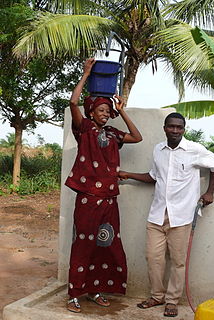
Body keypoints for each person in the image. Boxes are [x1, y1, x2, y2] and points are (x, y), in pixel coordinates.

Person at [119, 112, 214, 317]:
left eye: (179, 127)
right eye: (171, 126)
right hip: (157, 214)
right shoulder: (158, 150)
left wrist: (210, 192)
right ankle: (157, 296)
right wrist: (128, 174)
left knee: (178, 261)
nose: (175, 130)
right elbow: (153, 177)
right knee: (153, 257)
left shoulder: (194, 150)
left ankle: (172, 301)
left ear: (184, 129)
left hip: (182, 216)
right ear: (164, 128)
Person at [65, 58, 142, 313]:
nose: (105, 114)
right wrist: (86, 73)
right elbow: (73, 102)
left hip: (109, 198)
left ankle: (96, 289)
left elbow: (137, 136)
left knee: (105, 243)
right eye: (102, 111)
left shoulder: (113, 134)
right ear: (91, 113)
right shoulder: (84, 129)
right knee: (84, 243)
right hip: (88, 197)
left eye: (108, 112)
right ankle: (74, 293)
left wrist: (122, 111)